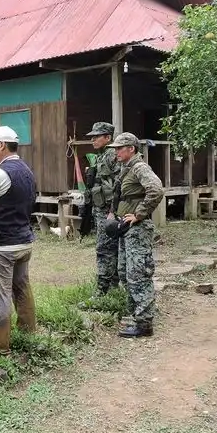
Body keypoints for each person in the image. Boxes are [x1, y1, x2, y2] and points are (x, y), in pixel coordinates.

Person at [0, 126, 37, 358]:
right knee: (22, 288)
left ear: (2, 145)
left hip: (1, 245)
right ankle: (28, 333)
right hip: (24, 241)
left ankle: (0, 348)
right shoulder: (26, 170)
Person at [107, 133, 164, 338]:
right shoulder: (126, 168)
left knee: (138, 274)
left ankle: (144, 322)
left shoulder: (140, 167)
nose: (116, 152)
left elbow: (156, 189)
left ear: (131, 148)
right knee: (124, 272)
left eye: (119, 148)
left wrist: (139, 214)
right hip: (125, 228)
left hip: (137, 229)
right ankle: (134, 314)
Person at [82, 122, 123, 304]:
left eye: (96, 136)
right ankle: (114, 286)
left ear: (108, 137)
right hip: (100, 209)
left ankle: (101, 292)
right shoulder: (100, 157)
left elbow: (119, 186)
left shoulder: (113, 156)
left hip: (109, 212)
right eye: (91, 137)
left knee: (104, 250)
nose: (92, 140)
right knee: (110, 248)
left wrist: (113, 212)